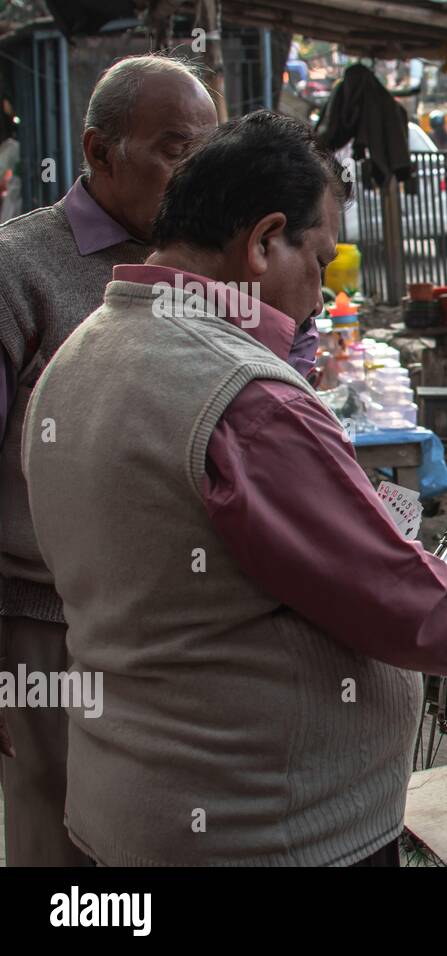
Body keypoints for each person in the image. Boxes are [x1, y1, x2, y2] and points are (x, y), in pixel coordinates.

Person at [21, 110, 447, 866]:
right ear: (265, 242)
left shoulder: (80, 357)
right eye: (321, 260)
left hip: (132, 809)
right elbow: (399, 598)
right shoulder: (243, 399)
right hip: (262, 832)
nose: (323, 296)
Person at [0, 54, 219, 866]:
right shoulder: (19, 268)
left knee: (155, 840)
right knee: (58, 843)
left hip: (171, 624)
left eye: (207, 153)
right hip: (44, 627)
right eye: (173, 150)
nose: (194, 176)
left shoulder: (205, 267)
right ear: (98, 152)